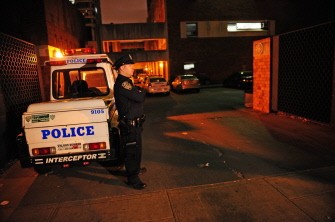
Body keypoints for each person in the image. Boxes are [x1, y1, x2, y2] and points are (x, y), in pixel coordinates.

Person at [113, 54, 147, 190]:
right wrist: (142, 90)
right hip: (130, 125)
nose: (133, 68)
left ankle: (135, 170)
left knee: (137, 150)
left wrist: (138, 91)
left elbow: (136, 95)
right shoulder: (122, 83)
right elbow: (139, 97)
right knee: (132, 152)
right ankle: (133, 179)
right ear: (122, 67)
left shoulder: (128, 82)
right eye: (130, 66)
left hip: (135, 124)